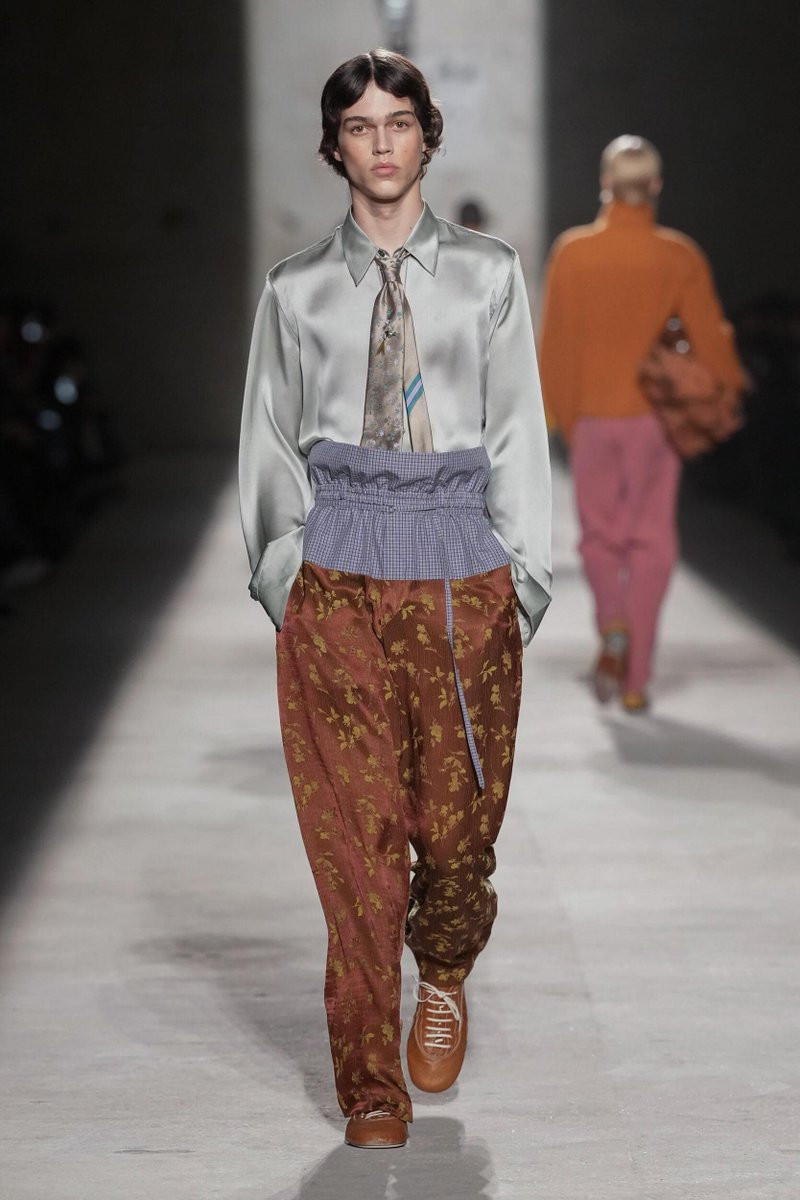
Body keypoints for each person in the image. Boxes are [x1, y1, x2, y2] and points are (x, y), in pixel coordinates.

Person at [239, 49, 551, 1149]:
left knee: (456, 841)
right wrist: (288, 580)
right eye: (359, 126)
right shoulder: (295, 290)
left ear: (427, 135)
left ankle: (446, 969)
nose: (381, 142)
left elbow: (517, 428)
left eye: (399, 121)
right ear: (335, 147)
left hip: (460, 565)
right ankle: (370, 1081)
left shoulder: (489, 274)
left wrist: (520, 582)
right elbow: (269, 438)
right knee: (355, 844)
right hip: (337, 573)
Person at [538, 135, 745, 712]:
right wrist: (730, 388)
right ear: (655, 186)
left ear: (605, 183)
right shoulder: (678, 255)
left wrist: (557, 414)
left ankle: (613, 625)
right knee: (651, 538)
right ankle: (636, 681)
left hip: (593, 418)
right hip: (655, 421)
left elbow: (556, 342)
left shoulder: (574, 252)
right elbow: (709, 337)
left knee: (599, 536)